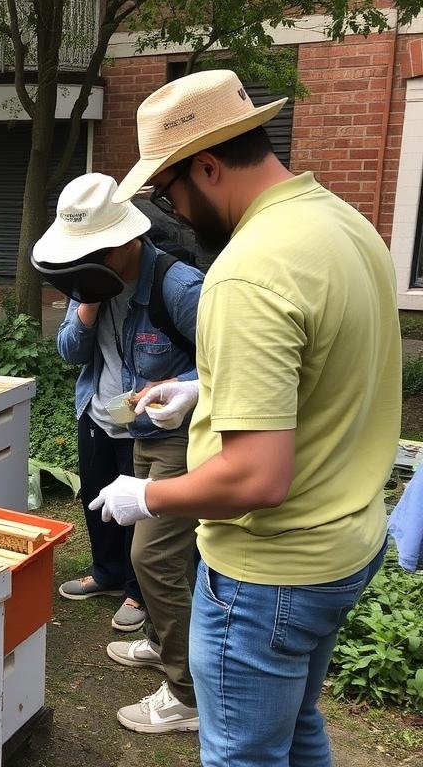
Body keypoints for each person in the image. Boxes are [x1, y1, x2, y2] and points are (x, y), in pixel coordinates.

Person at [97, 69, 400, 766]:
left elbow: (256, 478)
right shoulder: (341, 223)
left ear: (206, 165)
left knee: (241, 754)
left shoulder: (247, 270)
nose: (169, 211)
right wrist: (207, 389)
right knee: (295, 728)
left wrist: (145, 495)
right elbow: (328, 366)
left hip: (271, 570)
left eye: (167, 191)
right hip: (345, 540)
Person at [34, 175, 204, 729]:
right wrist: (84, 306)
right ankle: (161, 641)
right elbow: (68, 351)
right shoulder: (89, 284)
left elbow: (235, 362)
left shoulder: (179, 287)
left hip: (172, 436)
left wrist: (186, 389)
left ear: (128, 239)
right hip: (112, 426)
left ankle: (188, 694)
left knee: (154, 558)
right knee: (133, 540)